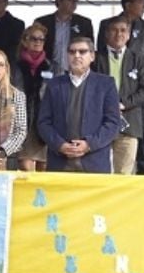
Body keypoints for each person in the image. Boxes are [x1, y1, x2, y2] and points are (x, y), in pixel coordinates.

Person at [98, 0, 144, 175]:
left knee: (138, 139)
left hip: (133, 100)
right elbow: (100, 52)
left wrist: (137, 71)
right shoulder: (104, 27)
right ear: (128, 4)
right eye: (141, 2)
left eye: (123, 31)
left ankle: (143, 171)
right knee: (99, 167)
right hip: (101, 116)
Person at [37, 37, 121, 173]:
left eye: (82, 52)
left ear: (92, 56)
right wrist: (60, 145)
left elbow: (113, 123)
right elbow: (43, 123)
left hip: (94, 164)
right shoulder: (54, 85)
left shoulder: (106, 84)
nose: (77, 55)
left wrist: (89, 144)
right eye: (72, 52)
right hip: (60, 163)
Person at [16, 23, 58, 171]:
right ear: (24, 41)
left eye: (41, 39)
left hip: (46, 122)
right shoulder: (14, 66)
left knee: (45, 168)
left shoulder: (54, 67)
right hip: (22, 122)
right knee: (25, 167)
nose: (38, 42)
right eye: (33, 38)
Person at [34, 0, 94, 73]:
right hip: (47, 72)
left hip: (75, 71)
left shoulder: (84, 23)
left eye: (76, 0)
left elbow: (90, 50)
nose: (74, 3)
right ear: (59, 0)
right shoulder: (43, 22)